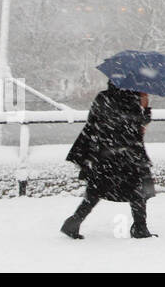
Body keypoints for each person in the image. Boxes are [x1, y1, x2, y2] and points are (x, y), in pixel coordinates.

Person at [61, 82, 158, 239]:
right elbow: (139, 127)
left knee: (95, 191)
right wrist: (145, 105)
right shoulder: (133, 99)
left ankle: (73, 223)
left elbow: (92, 122)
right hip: (129, 154)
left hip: (104, 152)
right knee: (138, 190)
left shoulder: (103, 97)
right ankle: (140, 227)